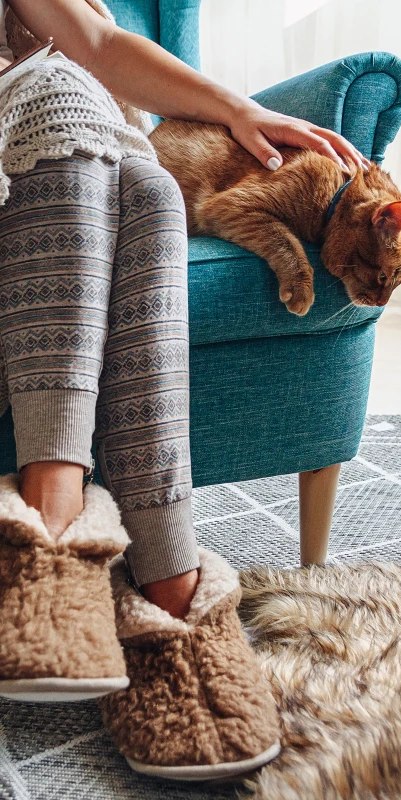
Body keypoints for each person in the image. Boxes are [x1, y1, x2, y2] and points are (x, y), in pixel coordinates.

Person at [0, 0, 368, 781]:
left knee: (154, 187)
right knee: (69, 101)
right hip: (24, 145)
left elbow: (96, 39)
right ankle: (64, 525)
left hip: (71, 138)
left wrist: (241, 111)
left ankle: (155, 577)